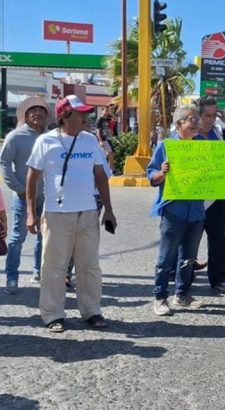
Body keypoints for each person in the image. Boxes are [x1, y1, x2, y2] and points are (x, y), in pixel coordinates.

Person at [25, 94, 117, 332]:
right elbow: (32, 178)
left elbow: (101, 175)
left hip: (87, 213)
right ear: (65, 116)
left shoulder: (89, 141)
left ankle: (91, 311)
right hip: (57, 214)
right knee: (54, 266)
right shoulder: (45, 142)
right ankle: (53, 314)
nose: (86, 118)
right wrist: (31, 213)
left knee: (90, 266)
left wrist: (108, 209)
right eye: (81, 114)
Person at [147, 104, 206, 316]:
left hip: (197, 211)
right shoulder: (166, 146)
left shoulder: (203, 145)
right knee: (166, 258)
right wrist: (162, 173)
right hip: (174, 211)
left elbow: (216, 170)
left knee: (189, 257)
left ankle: (182, 294)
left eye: (198, 119)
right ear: (179, 123)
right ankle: (160, 297)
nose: (197, 123)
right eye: (192, 119)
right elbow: (151, 176)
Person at [0, 96, 47, 294]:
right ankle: (11, 276)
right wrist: (18, 188)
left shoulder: (50, 137)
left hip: (46, 197)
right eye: (32, 111)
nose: (37, 114)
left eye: (41, 111)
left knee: (44, 237)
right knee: (17, 238)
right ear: (26, 115)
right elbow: (4, 163)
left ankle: (39, 271)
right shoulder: (15, 137)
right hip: (21, 196)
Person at [194, 96, 225, 293]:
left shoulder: (219, 133)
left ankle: (218, 278)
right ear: (198, 116)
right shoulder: (188, 136)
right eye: (207, 116)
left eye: (213, 115)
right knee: (189, 238)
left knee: (218, 239)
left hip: (216, 195)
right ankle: (182, 277)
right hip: (192, 195)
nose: (211, 120)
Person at [96, 106, 115, 171]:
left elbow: (115, 119)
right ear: (102, 111)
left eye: (107, 111)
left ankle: (108, 169)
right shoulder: (100, 120)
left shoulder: (106, 119)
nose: (106, 112)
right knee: (110, 153)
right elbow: (98, 131)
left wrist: (111, 113)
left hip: (106, 138)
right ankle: (112, 169)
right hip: (103, 139)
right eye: (105, 111)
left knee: (107, 154)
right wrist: (100, 141)